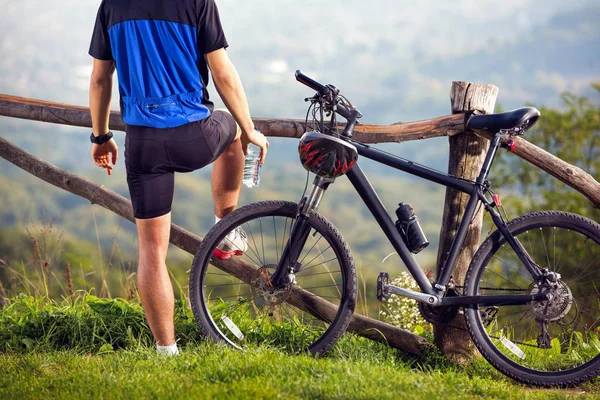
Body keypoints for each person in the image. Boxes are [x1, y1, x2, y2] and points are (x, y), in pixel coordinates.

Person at [88, 0, 268, 356]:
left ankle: (166, 350)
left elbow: (99, 78)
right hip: (195, 136)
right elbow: (223, 74)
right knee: (232, 133)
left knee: (152, 252)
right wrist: (249, 129)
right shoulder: (197, 1)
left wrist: (100, 137)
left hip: (143, 144)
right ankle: (226, 228)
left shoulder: (112, 5)